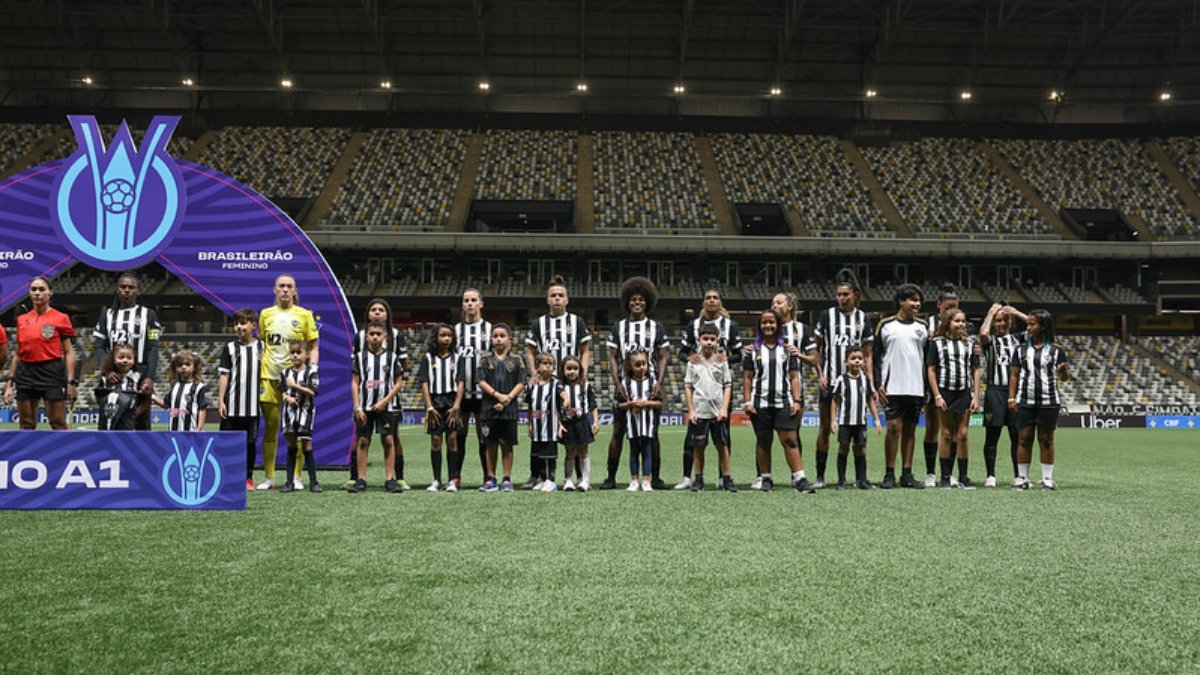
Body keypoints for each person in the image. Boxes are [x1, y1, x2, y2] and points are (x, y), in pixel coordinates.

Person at [748, 291, 821, 490]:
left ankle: (797, 476)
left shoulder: (801, 329)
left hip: (792, 390)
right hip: (765, 393)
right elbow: (749, 368)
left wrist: (800, 355)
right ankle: (763, 477)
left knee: (792, 435)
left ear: (790, 305)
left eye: (779, 302)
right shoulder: (762, 335)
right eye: (773, 302)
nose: (775, 305)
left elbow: (814, 359)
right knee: (763, 437)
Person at [602, 277, 670, 490]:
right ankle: (611, 477)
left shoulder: (655, 327)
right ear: (627, 302)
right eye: (633, 299)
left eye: (641, 299)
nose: (637, 302)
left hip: (649, 386)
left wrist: (659, 382)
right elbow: (612, 356)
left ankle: (655, 477)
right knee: (618, 431)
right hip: (626, 387)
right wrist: (617, 383)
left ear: (647, 302)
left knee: (653, 432)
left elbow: (662, 356)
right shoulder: (619, 327)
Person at [525, 275, 590, 489]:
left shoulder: (576, 321)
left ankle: (579, 478)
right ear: (547, 300)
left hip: (569, 383)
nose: (557, 299)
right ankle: (537, 475)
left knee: (574, 430)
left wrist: (583, 374)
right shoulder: (539, 323)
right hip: (546, 384)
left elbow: (585, 350)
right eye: (553, 295)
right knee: (541, 427)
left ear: (567, 299)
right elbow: (530, 350)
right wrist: (534, 373)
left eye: (561, 295)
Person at [675, 287, 742, 489]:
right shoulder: (693, 325)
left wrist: (726, 359)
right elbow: (681, 352)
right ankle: (689, 477)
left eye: (715, 298)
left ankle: (723, 478)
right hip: (700, 390)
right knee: (692, 439)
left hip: (719, 389)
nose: (712, 300)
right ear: (704, 302)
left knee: (723, 438)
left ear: (720, 302)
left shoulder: (730, 326)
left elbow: (738, 354)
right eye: (708, 298)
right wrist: (689, 358)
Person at [256, 274, 318, 490]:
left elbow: (313, 346)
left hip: (296, 381)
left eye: (288, 286)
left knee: (298, 430)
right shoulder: (265, 314)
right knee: (271, 429)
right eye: (281, 286)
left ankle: (297, 477)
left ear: (294, 290)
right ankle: (269, 477)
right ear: (274, 289)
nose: (284, 289)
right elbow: (264, 342)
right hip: (270, 378)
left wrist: (312, 370)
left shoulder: (304, 315)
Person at [815, 269, 873, 488]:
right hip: (830, 381)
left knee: (857, 429)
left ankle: (860, 478)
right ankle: (821, 476)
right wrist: (820, 374)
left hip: (856, 385)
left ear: (854, 295)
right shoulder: (826, 316)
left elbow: (867, 354)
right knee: (825, 428)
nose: (841, 298)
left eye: (845, 295)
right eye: (839, 294)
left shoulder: (863, 319)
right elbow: (816, 350)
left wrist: (870, 382)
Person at [89, 270, 162, 430]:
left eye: (131, 287)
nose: (127, 290)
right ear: (117, 289)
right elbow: (99, 346)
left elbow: (153, 347)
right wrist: (107, 371)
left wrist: (149, 377)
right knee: (109, 420)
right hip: (113, 375)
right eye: (123, 286)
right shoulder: (107, 315)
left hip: (140, 374)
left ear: (138, 290)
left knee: (140, 422)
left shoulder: (149, 315)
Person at [349, 298, 409, 490]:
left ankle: (393, 478)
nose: (374, 336)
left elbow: (400, 377)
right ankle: (358, 478)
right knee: (362, 439)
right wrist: (357, 406)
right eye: (373, 309)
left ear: (385, 337)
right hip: (365, 404)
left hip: (387, 404)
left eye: (381, 310)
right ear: (366, 336)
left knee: (390, 438)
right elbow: (355, 380)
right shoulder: (359, 351)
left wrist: (385, 400)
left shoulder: (392, 353)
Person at [873, 283, 928, 489]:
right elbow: (876, 357)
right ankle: (889, 473)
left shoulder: (922, 327)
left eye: (918, 300)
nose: (917, 304)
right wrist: (878, 383)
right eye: (913, 300)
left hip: (915, 387)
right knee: (894, 428)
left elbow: (927, 360)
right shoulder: (886, 325)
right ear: (901, 302)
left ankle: (907, 473)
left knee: (910, 430)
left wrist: (928, 389)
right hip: (892, 386)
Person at [4, 276, 76, 429]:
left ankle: (64, 453)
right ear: (29, 293)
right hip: (25, 373)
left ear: (50, 293)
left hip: (51, 372)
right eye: (34, 289)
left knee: (57, 423)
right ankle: (28, 454)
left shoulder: (61, 318)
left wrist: (71, 381)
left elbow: (68, 352)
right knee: (26, 424)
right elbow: (18, 353)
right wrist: (10, 382)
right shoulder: (22, 319)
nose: (37, 293)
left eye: (41, 289)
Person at [1008, 309, 1068, 491]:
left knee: (1046, 439)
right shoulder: (1020, 350)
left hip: (1049, 400)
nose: (1028, 327)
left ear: (1042, 327)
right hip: (1025, 399)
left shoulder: (1057, 351)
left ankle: (1047, 479)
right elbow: (1014, 375)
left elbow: (1064, 379)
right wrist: (1011, 397)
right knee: (1024, 438)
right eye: (1028, 324)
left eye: (1032, 324)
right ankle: (1022, 478)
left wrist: (1063, 372)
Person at [926, 308, 981, 489]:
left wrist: (976, 396)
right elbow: (931, 370)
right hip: (945, 392)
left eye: (963, 321)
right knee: (947, 434)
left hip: (963, 393)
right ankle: (945, 477)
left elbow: (975, 370)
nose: (961, 324)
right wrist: (937, 395)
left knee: (963, 435)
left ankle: (963, 476)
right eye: (957, 321)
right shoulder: (938, 343)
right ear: (948, 323)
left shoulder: (970, 343)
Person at [978, 303, 1028, 487]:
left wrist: (1015, 312)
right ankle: (990, 475)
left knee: (1016, 436)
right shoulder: (990, 340)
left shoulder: (1017, 339)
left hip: (1014, 392)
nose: (1001, 324)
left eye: (1005, 320)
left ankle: (1018, 475)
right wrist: (990, 313)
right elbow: (983, 333)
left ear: (1011, 322)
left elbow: (1035, 327)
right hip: (995, 391)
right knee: (992, 434)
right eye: (998, 321)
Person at [684, 323, 735, 493]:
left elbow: (727, 385)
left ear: (718, 341)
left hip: (718, 413)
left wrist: (724, 409)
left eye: (712, 339)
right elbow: (688, 387)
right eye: (705, 339)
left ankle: (727, 478)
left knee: (722, 445)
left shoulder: (722, 362)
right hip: (700, 412)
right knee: (699, 447)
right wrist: (691, 410)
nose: (708, 342)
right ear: (699, 340)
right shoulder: (693, 363)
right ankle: (698, 479)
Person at [477, 323, 526, 493]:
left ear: (509, 339)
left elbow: (522, 382)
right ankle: (491, 478)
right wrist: (498, 396)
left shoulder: (517, 360)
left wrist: (508, 398)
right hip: (489, 408)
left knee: (507, 445)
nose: (498, 339)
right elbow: (481, 381)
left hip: (509, 409)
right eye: (495, 336)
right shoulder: (485, 359)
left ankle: (506, 478)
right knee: (490, 445)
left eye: (502, 336)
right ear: (491, 339)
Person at [218, 308, 263, 490]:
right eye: (236, 324)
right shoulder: (229, 348)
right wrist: (221, 400)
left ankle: (248, 478)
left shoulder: (262, 347)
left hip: (253, 406)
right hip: (232, 405)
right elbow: (224, 376)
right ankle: (226, 476)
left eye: (243, 323)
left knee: (250, 443)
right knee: (227, 443)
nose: (238, 327)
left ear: (253, 326)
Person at [921, 284, 960, 487]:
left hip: (954, 385)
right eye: (948, 307)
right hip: (933, 384)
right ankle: (930, 473)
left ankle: (948, 473)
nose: (951, 311)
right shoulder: (927, 325)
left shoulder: (960, 325)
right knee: (932, 428)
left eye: (955, 307)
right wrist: (927, 388)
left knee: (951, 432)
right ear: (939, 306)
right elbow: (926, 361)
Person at [829, 345, 883, 489]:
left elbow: (870, 400)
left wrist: (877, 419)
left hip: (860, 422)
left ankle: (861, 480)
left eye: (860, 358)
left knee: (861, 448)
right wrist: (833, 420)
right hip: (845, 422)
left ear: (864, 361)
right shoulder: (841, 380)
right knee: (843, 448)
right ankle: (841, 480)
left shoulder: (865, 380)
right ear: (846, 361)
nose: (857, 361)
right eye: (853, 358)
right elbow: (835, 400)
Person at [419, 324, 464, 492]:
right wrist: (429, 406)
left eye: (449, 336)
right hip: (435, 403)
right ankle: (436, 479)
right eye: (442, 335)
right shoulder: (428, 359)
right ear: (435, 338)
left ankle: (452, 480)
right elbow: (424, 382)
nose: (446, 338)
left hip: (452, 402)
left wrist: (457, 406)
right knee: (436, 440)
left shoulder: (457, 358)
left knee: (452, 440)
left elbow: (461, 382)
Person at [454, 288, 492, 483]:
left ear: (481, 304)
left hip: (483, 394)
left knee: (483, 436)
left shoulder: (490, 330)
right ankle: (456, 476)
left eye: (473, 300)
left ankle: (488, 477)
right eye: (466, 300)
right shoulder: (455, 331)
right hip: (460, 394)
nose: (469, 303)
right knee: (459, 436)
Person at [280, 339, 321, 493]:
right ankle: (289, 482)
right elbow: (283, 391)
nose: (295, 356)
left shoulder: (311, 372)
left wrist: (295, 386)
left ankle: (314, 482)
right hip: (289, 413)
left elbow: (312, 392)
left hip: (306, 412)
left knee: (307, 447)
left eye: (299, 352)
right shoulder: (285, 372)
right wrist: (287, 398)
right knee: (291, 447)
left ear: (306, 354)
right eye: (292, 353)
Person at [619, 351, 661, 492]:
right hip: (632, 424)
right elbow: (619, 405)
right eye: (637, 365)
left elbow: (659, 403)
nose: (642, 367)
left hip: (647, 424)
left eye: (644, 364)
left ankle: (646, 481)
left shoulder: (652, 382)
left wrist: (646, 403)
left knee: (647, 451)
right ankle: (634, 480)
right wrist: (631, 404)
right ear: (630, 366)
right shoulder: (625, 383)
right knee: (633, 451)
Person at [558, 355, 598, 491]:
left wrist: (596, 422)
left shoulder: (586, 386)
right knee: (569, 452)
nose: (572, 372)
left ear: (580, 370)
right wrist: (559, 423)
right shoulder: (559, 387)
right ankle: (568, 480)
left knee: (583, 452)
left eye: (575, 368)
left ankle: (585, 481)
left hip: (582, 422)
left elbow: (593, 405)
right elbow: (557, 408)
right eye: (569, 368)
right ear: (563, 370)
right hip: (567, 423)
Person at [526, 353, 563, 492]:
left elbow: (562, 396)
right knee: (539, 455)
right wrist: (529, 423)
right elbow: (530, 406)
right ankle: (542, 479)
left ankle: (551, 480)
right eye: (545, 363)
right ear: (536, 367)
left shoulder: (556, 384)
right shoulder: (532, 386)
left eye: (551, 364)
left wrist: (566, 400)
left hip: (551, 427)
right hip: (537, 427)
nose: (548, 366)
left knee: (550, 455)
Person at [95, 343, 146, 431]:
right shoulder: (105, 378)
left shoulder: (138, 378)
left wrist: (133, 414)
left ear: (134, 361)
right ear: (113, 360)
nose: (125, 360)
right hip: (107, 425)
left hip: (128, 425)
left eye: (129, 358)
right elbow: (99, 397)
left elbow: (146, 400)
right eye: (121, 357)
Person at [157, 350, 208, 431]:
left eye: (187, 364)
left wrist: (199, 428)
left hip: (192, 431)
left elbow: (202, 409)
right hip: (174, 431)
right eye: (180, 365)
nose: (183, 367)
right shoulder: (174, 385)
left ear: (194, 367)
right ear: (175, 368)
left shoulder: (199, 387)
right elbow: (167, 404)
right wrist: (152, 397)